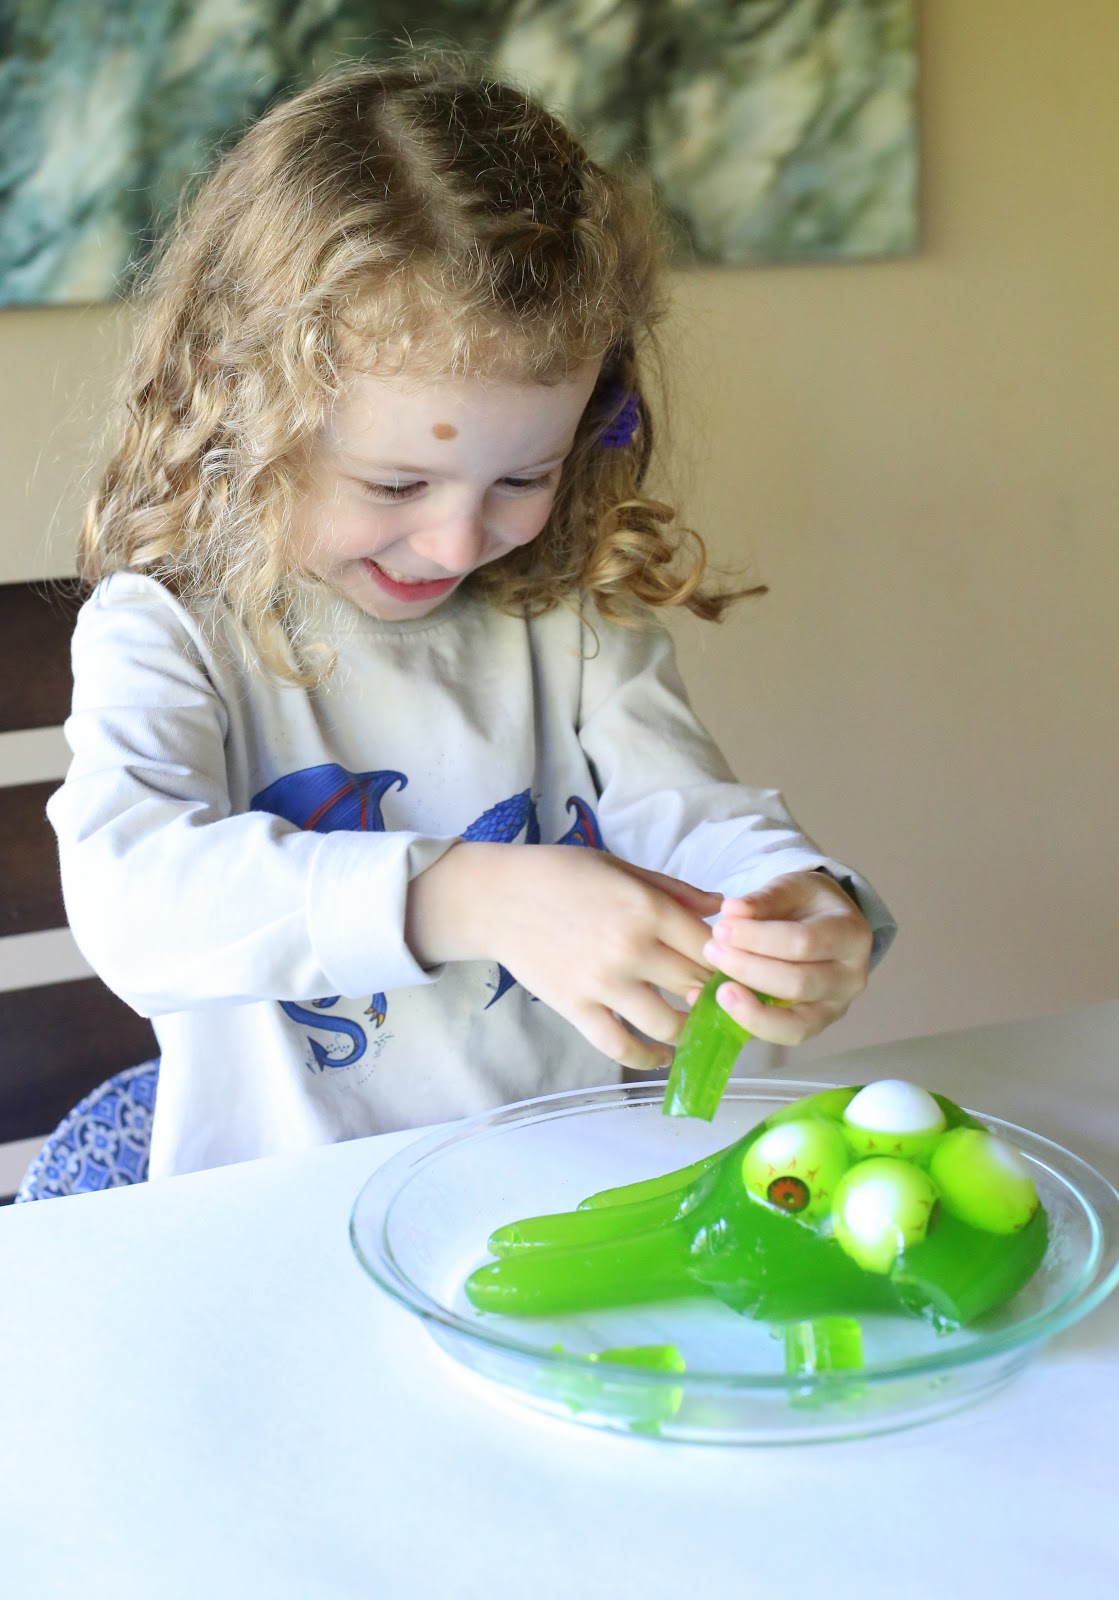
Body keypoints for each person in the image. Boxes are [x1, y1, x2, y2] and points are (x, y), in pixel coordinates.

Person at [48, 56, 895, 1179]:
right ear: (236, 398)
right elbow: (133, 899)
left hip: (567, 1190)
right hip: (281, 1231)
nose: (457, 544)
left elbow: (682, 813)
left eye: (522, 477)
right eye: (396, 486)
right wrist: (465, 894)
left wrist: (786, 902)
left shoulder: (571, 611)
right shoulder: (168, 629)